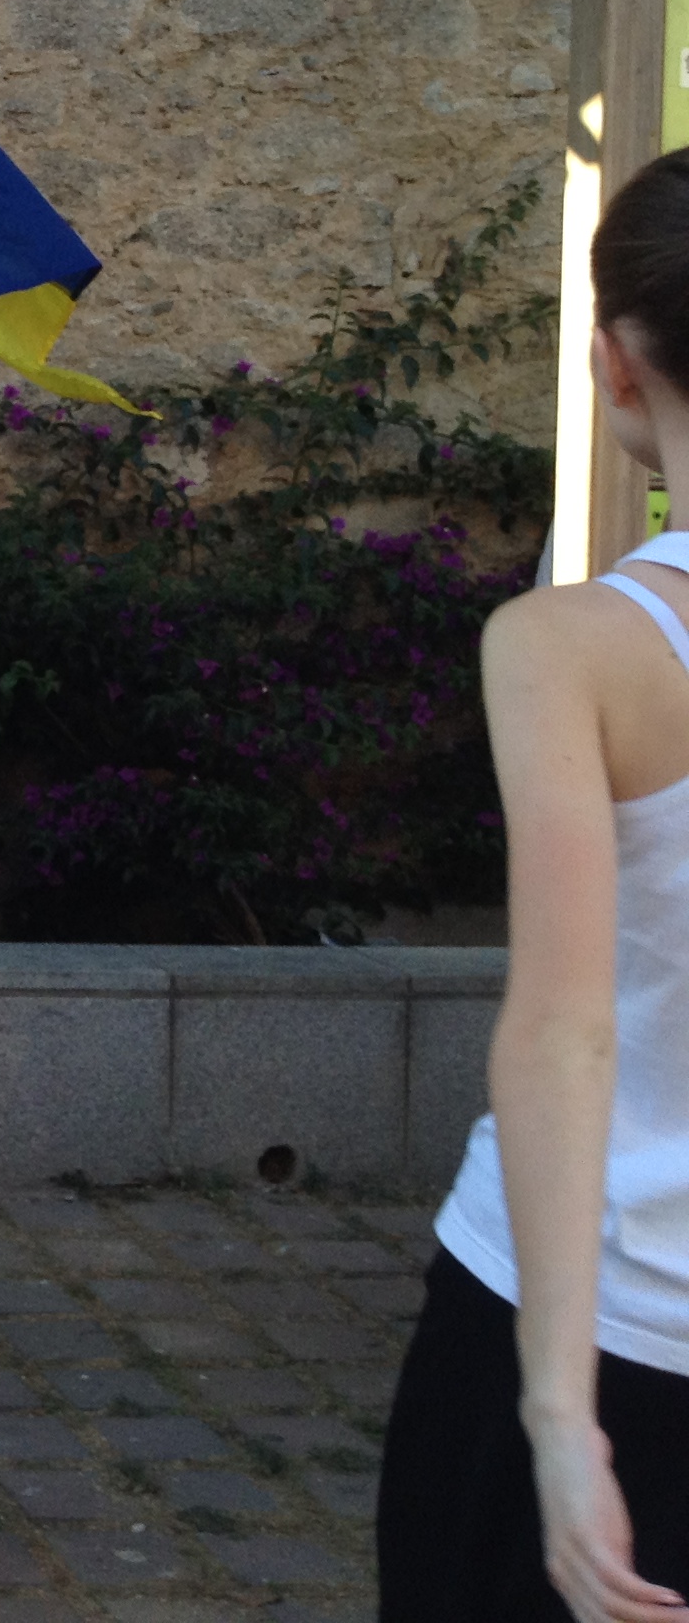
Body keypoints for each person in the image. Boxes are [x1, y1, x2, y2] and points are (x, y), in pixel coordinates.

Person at [377, 150, 689, 1623]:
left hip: (582, 1321)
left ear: (615, 363)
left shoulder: (573, 649)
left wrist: (559, 1417)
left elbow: (567, 1030)